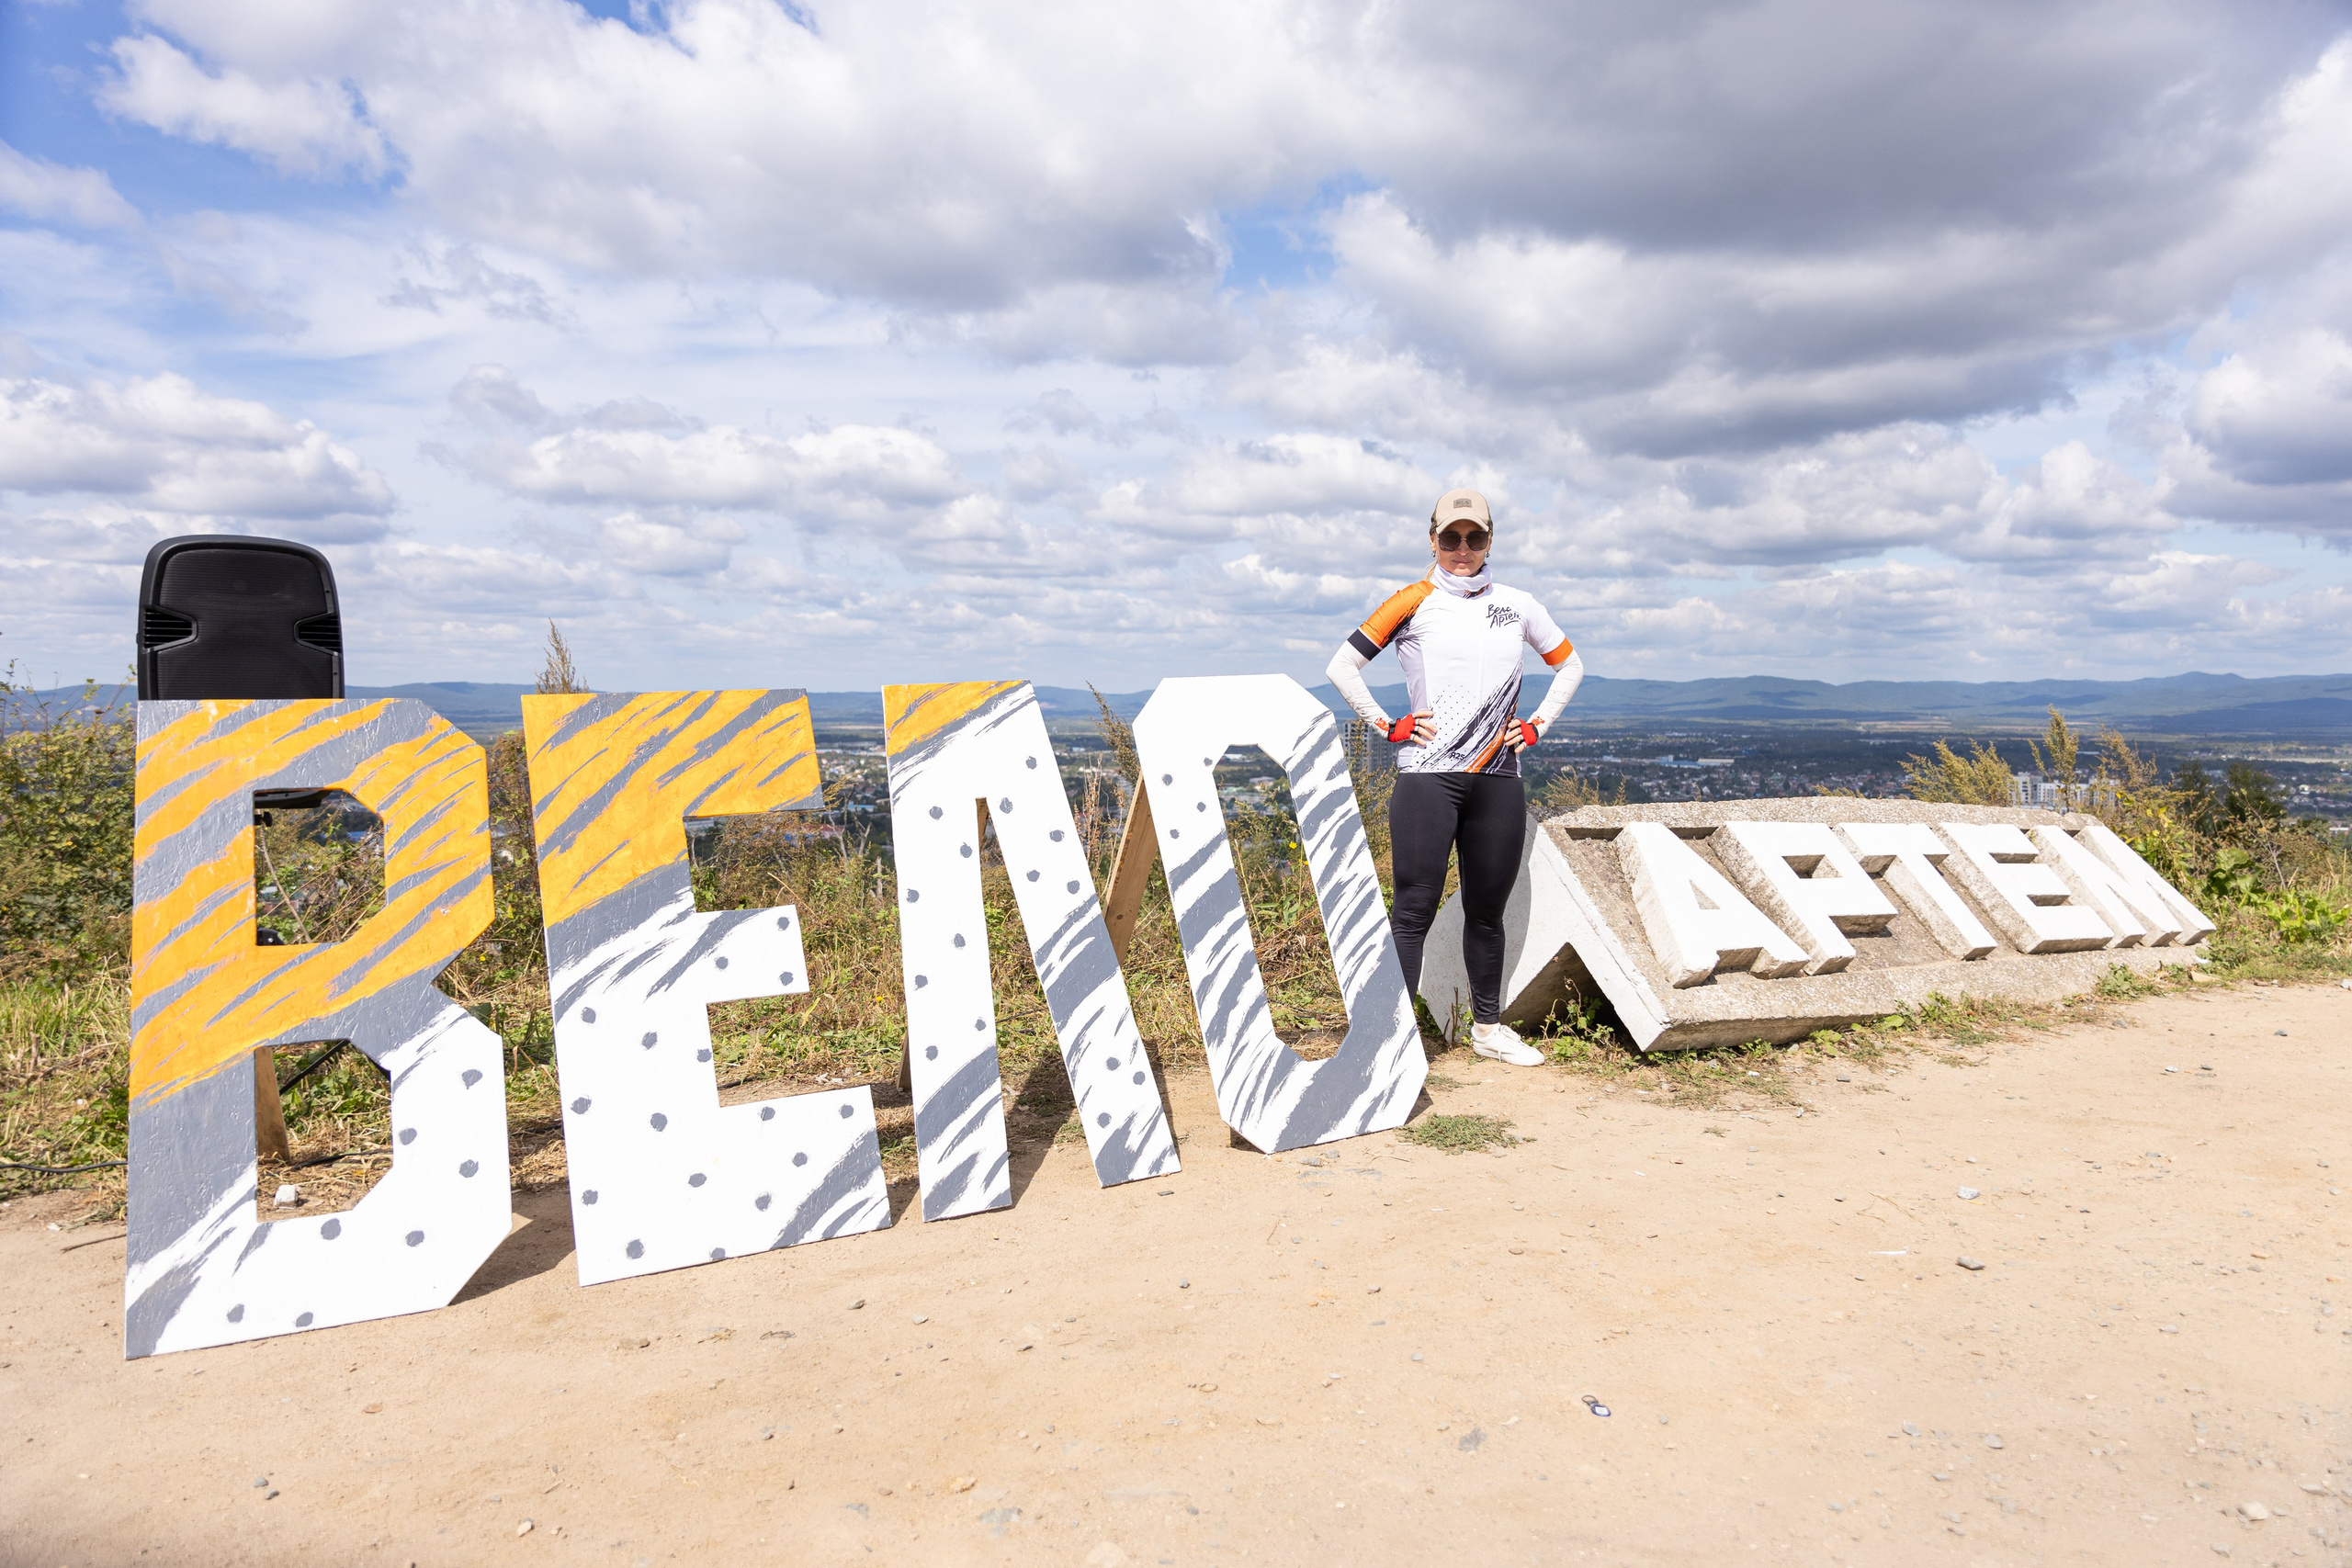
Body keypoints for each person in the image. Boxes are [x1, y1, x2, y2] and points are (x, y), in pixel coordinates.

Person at [1324, 488, 1585, 1066]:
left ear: (1490, 540)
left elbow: (1570, 664)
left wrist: (1538, 725)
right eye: (1451, 537)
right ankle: (1386, 1038)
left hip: (1497, 775)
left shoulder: (1518, 604)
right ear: (1434, 539)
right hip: (1427, 776)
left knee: (1486, 911)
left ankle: (1487, 1029)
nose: (1463, 548)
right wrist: (1386, 725)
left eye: (1475, 537)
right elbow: (1341, 665)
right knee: (1413, 907)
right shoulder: (1412, 600)